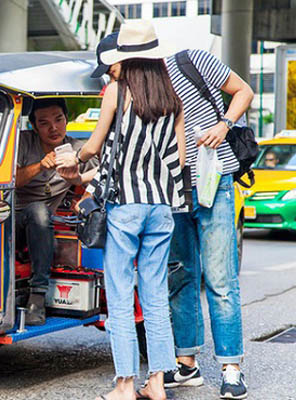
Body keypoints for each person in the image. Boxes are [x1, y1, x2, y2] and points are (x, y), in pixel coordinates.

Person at [57, 21, 186, 400]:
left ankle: (125, 384)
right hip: (162, 207)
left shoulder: (116, 90)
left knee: (119, 294)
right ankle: (158, 383)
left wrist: (74, 159)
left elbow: (95, 146)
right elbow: (177, 158)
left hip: (126, 207)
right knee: (156, 297)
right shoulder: (173, 94)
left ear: (125, 58)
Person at [161, 28, 254, 400]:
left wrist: (224, 123)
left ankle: (231, 368)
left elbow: (243, 90)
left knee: (220, 278)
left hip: (214, 182)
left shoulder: (192, 61)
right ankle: (187, 365)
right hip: (170, 191)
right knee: (181, 277)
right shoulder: (137, 90)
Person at [15, 98, 97, 326]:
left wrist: (85, 197)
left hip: (44, 220)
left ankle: (37, 297)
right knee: (37, 211)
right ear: (34, 126)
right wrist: (40, 165)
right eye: (44, 123)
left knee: (41, 212)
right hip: (14, 219)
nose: (53, 128)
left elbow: (102, 175)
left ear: (66, 120)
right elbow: (11, 179)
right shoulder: (22, 143)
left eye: (58, 120)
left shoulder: (78, 150)